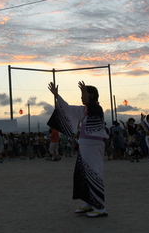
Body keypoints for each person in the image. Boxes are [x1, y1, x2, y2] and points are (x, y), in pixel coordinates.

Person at [48, 81, 108, 218]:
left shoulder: (96, 109)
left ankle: (100, 206)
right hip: (85, 145)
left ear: (91, 96)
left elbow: (89, 104)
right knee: (82, 173)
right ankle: (88, 202)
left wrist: (85, 94)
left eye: (84, 94)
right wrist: (57, 96)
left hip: (93, 145)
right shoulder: (84, 110)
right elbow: (67, 108)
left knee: (94, 172)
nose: (82, 97)